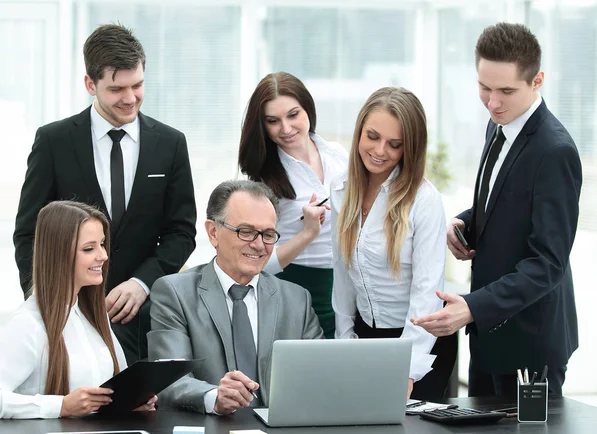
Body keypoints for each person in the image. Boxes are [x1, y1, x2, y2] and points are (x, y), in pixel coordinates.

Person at [412, 23, 582, 397]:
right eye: (484, 88)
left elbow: (548, 264)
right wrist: (465, 222)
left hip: (530, 347)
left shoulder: (555, 152)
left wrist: (472, 307)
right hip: (490, 338)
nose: (492, 102)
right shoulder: (499, 124)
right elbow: (506, 200)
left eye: (506, 91)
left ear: (537, 80)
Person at [13, 24, 197, 364]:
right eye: (116, 89)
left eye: (138, 85)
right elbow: (29, 233)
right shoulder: (54, 142)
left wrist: (142, 284)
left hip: (142, 315)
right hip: (68, 317)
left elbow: (181, 233)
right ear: (90, 84)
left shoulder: (171, 144)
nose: (130, 98)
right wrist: (44, 303)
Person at [148, 180, 323, 414]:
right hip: (211, 432)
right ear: (213, 232)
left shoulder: (296, 299)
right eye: (247, 232)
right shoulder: (174, 292)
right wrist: (215, 397)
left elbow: (320, 375)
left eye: (268, 234)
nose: (259, 245)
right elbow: (169, 380)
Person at [331, 87, 457, 400]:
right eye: (372, 136)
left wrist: (408, 370)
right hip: (365, 336)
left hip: (419, 342)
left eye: (395, 144)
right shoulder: (340, 190)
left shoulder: (425, 202)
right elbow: (342, 277)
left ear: (410, 148)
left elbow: (427, 294)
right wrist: (345, 340)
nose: (379, 150)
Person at [0, 201, 156, 419]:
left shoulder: (94, 315)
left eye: (102, 244)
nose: (103, 255)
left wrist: (131, 400)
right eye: (89, 248)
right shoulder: (28, 323)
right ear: (58, 254)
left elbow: (116, 382)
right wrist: (61, 406)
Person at [238, 72, 348, 339]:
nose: (286, 129)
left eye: (293, 115)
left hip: (347, 287)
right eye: (273, 121)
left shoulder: (338, 155)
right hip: (297, 289)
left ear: (307, 109)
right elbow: (258, 263)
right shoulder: (265, 178)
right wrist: (308, 234)